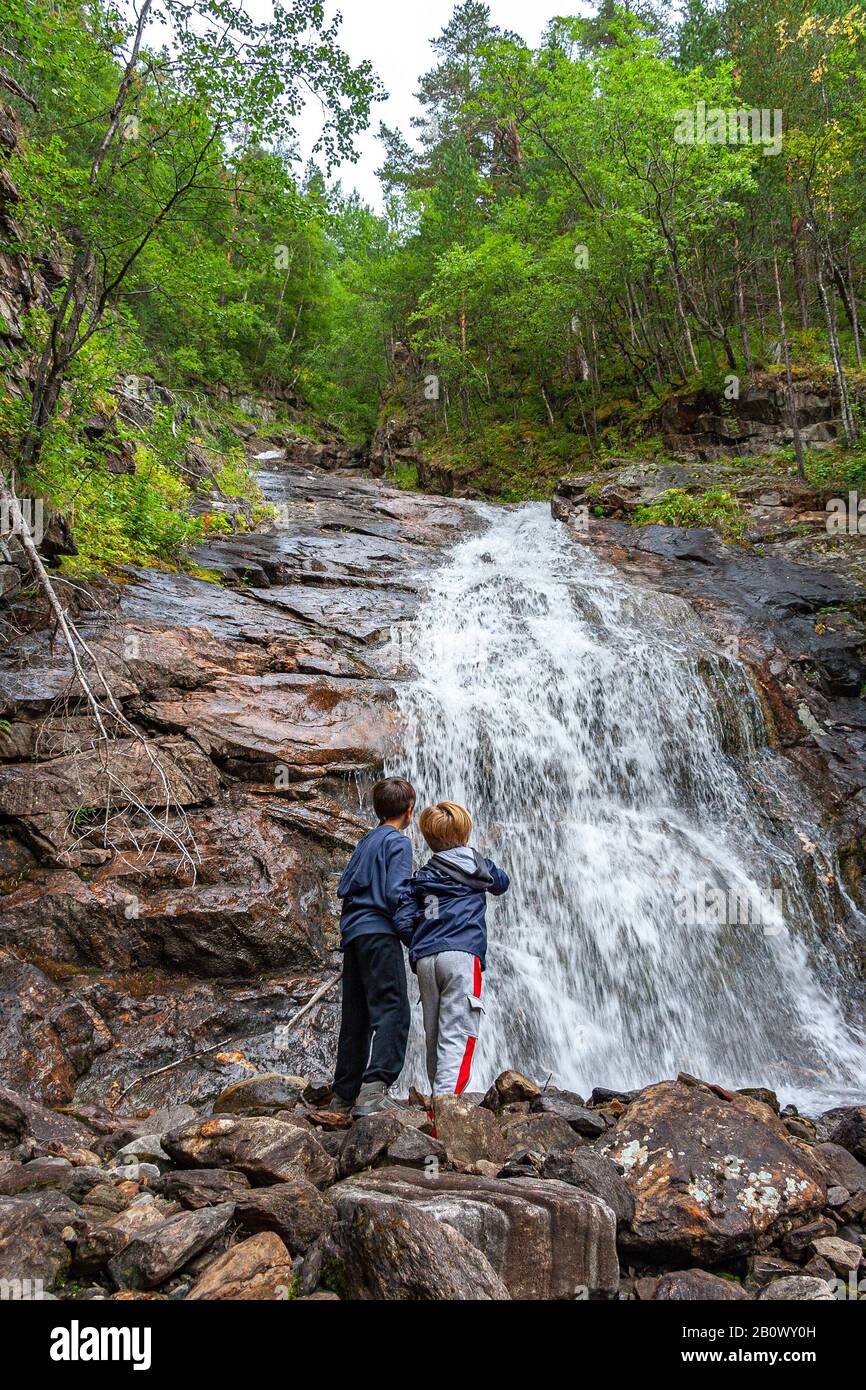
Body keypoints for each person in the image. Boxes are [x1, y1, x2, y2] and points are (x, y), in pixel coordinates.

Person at [398, 800, 509, 1097]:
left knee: (434, 1035)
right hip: (461, 956)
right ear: (466, 832)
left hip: (425, 960)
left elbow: (403, 919)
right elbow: (502, 883)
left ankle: (438, 1099)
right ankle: (448, 1110)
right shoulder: (478, 866)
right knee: (458, 1034)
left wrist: (421, 941)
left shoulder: (422, 875)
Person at [330, 776, 416, 1117]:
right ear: (409, 811)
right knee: (393, 1010)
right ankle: (375, 1090)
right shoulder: (399, 842)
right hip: (380, 934)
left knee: (357, 1016)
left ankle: (343, 1094)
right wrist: (413, 936)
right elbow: (397, 893)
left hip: (354, 935)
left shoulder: (366, 840)